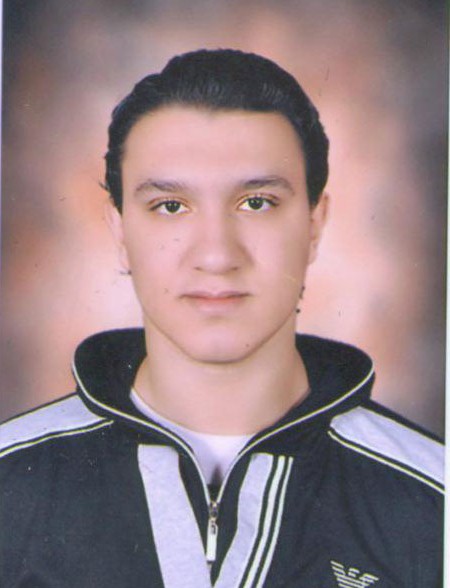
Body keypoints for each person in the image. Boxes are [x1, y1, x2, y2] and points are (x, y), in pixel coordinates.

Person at [0, 49, 443, 588]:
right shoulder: (8, 486)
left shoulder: (434, 502)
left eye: (256, 203)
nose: (215, 254)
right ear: (120, 231)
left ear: (314, 225)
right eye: (170, 206)